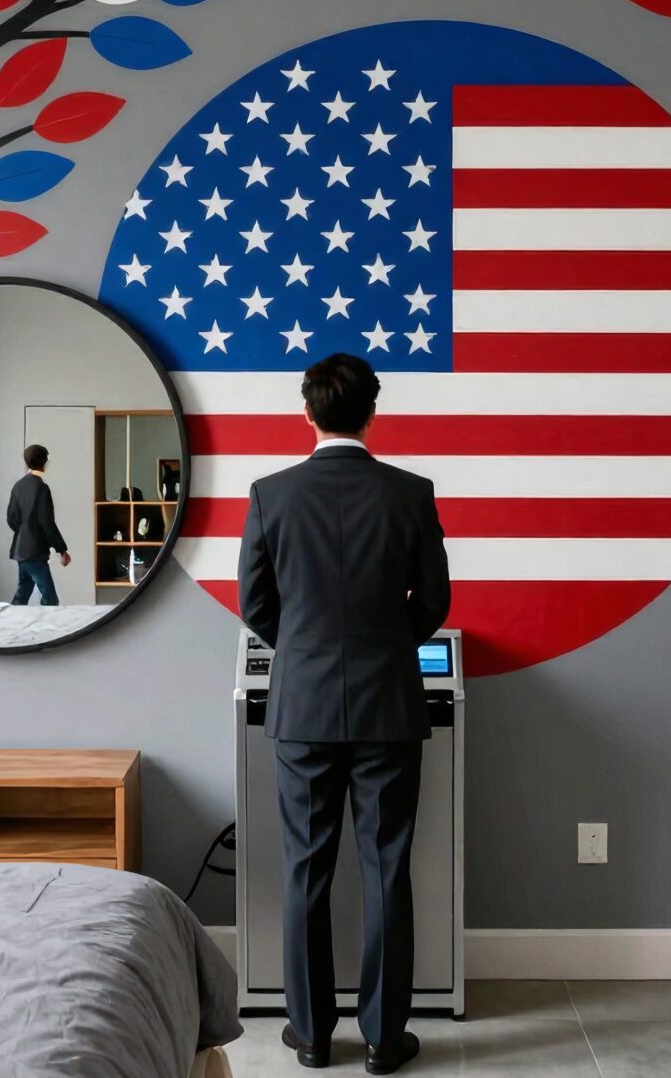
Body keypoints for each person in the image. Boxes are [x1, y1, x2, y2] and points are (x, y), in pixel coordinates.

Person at [238, 354, 451, 1074]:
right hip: (389, 701)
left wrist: (303, 650)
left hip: (301, 709)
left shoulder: (270, 493)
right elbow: (435, 601)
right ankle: (387, 1040)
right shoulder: (410, 492)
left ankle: (311, 1033)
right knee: (388, 868)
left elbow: (256, 605)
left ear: (308, 413)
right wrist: (386, 645)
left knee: (306, 869)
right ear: (371, 413)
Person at [5, 443, 70, 606]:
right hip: (34, 552)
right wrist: (61, 549)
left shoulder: (18, 486)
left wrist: (24, 532)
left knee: (22, 595)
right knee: (50, 599)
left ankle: (13, 625)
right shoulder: (41, 488)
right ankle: (46, 630)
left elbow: (11, 519)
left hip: (21, 550)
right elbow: (46, 522)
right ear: (44, 462)